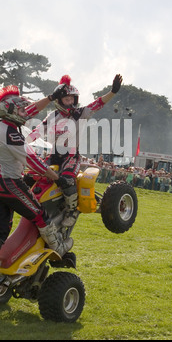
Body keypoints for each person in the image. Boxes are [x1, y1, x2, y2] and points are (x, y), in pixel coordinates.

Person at [0, 84, 71, 282]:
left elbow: (30, 109)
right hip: (10, 183)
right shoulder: (11, 134)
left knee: (0, 229)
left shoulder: (0, 124)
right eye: (21, 110)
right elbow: (32, 161)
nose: (26, 113)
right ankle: (59, 248)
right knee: (40, 214)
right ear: (12, 111)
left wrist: (50, 97)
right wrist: (58, 178)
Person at [28, 74, 123, 227]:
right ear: (59, 101)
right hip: (53, 155)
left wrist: (112, 92)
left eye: (73, 99)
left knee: (67, 180)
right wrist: (20, 144)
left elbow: (98, 103)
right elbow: (37, 132)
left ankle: (71, 211)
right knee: (31, 176)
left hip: (71, 156)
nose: (71, 102)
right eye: (67, 99)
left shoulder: (81, 113)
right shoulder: (52, 116)